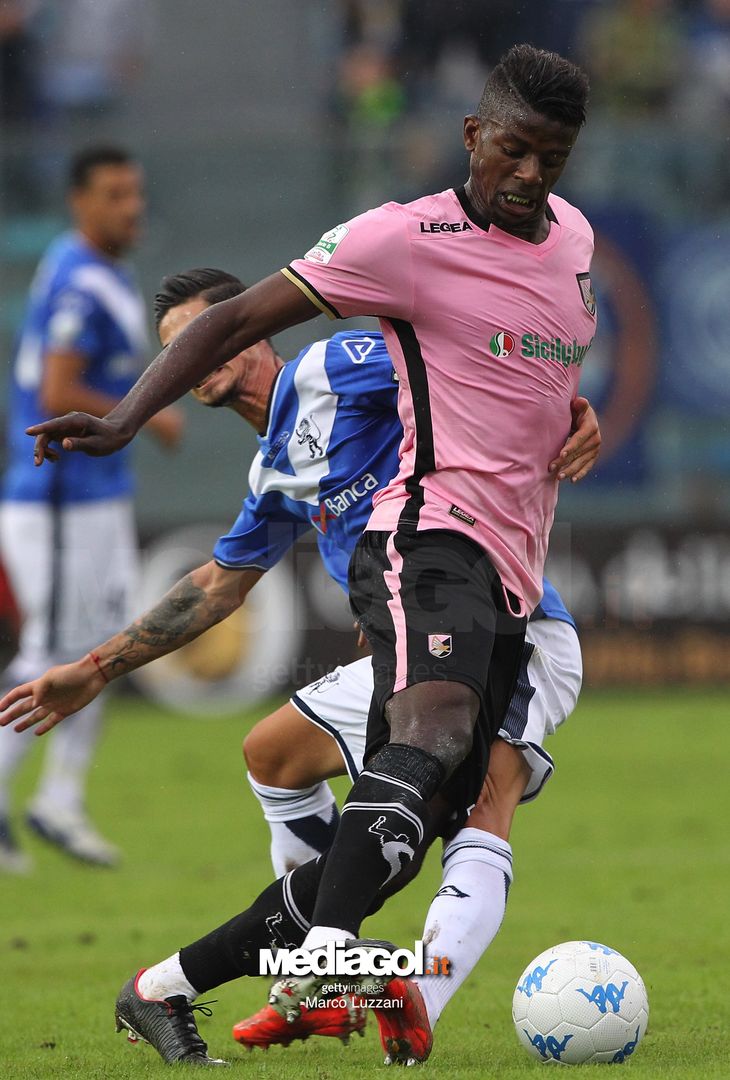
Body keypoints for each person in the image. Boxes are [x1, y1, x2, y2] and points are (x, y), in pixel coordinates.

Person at [22, 44, 595, 1064]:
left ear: (248, 338)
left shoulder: (342, 361)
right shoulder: (274, 475)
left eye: (203, 338)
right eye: (179, 350)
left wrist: (573, 412)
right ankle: (204, 980)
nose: (200, 360)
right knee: (280, 759)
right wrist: (96, 669)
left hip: (489, 597)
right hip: (424, 597)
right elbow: (214, 588)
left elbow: (493, 364)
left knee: (454, 792)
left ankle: (347, 961)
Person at [0, 145, 183, 873]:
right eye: (114, 194)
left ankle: (60, 801)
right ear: (80, 202)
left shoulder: (102, 269)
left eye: (135, 192)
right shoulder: (79, 280)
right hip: (57, 498)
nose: (131, 207)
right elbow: (56, 392)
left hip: (95, 497)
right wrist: (149, 412)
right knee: (50, 653)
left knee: (102, 645)